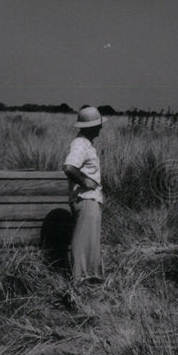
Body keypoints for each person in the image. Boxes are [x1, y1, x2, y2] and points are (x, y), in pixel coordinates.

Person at [63, 105, 106, 286]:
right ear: (89, 127)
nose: (100, 128)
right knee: (83, 242)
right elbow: (69, 167)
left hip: (91, 199)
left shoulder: (86, 144)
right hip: (86, 199)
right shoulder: (80, 144)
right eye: (97, 125)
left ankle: (89, 280)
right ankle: (80, 281)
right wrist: (84, 182)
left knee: (91, 241)